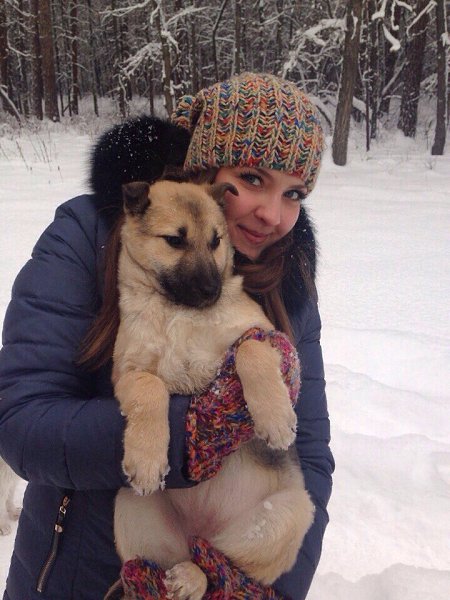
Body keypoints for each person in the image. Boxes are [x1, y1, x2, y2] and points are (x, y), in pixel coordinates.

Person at [0, 72, 334, 600]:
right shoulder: (89, 236)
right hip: (77, 578)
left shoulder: (288, 283)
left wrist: (267, 588)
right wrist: (188, 433)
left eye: (293, 193)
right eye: (251, 178)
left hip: (225, 563)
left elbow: (308, 457)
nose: (272, 214)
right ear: (205, 167)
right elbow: (22, 420)